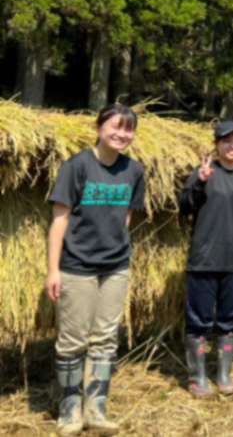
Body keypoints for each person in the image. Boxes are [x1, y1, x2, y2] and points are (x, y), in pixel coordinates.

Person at [46, 104, 145, 435]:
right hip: (77, 266)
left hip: (116, 267)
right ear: (100, 126)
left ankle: (96, 409)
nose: (122, 134)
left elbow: (127, 217)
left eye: (128, 129)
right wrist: (53, 270)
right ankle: (70, 408)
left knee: (105, 339)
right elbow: (59, 221)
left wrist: (120, 249)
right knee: (73, 341)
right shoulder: (76, 166)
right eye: (116, 126)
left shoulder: (134, 171)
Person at [178, 121, 233, 397]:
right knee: (199, 319)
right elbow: (185, 206)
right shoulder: (204, 172)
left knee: (230, 318)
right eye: (227, 141)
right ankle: (198, 376)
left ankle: (224, 373)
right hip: (204, 259)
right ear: (217, 144)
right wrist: (200, 182)